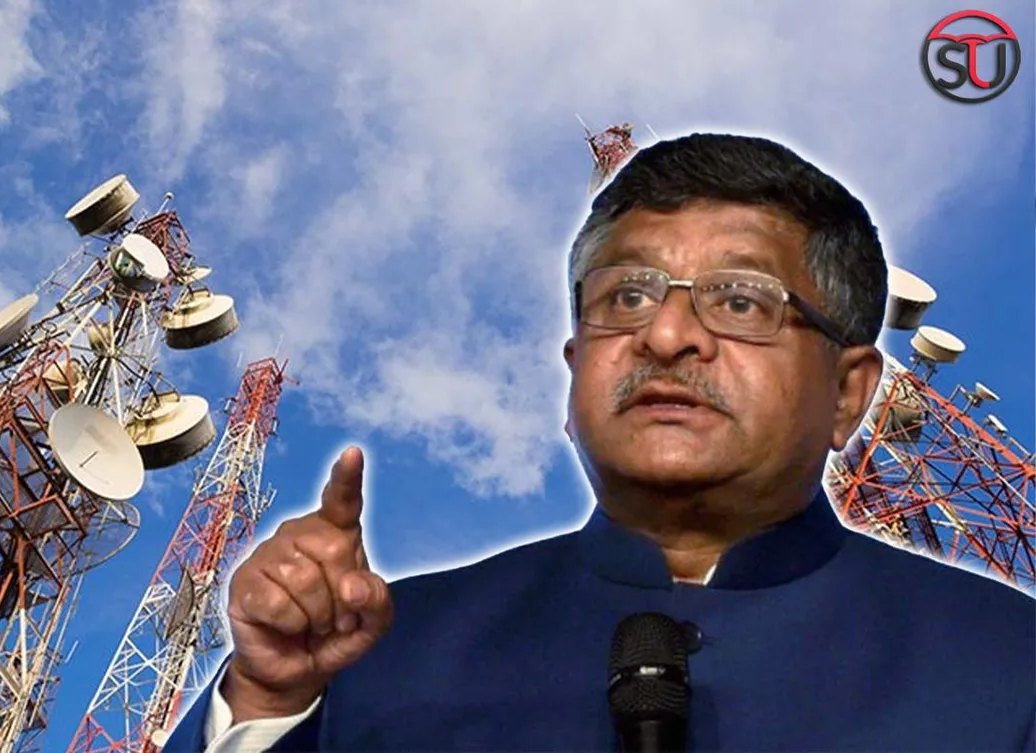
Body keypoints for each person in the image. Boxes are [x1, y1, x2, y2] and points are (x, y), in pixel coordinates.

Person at [163, 133, 1034, 752]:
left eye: (739, 300)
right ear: (575, 369)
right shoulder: (380, 654)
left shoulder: (1006, 664)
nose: (666, 335)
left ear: (848, 393)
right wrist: (270, 696)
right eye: (627, 297)